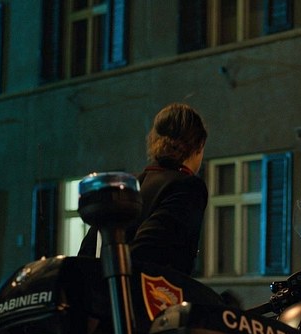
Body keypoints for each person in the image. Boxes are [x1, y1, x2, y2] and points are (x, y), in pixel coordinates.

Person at [79, 103, 208, 275]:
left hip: (103, 288)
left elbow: (87, 254)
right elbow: (151, 250)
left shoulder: (128, 187)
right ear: (198, 146)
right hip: (149, 290)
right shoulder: (188, 187)